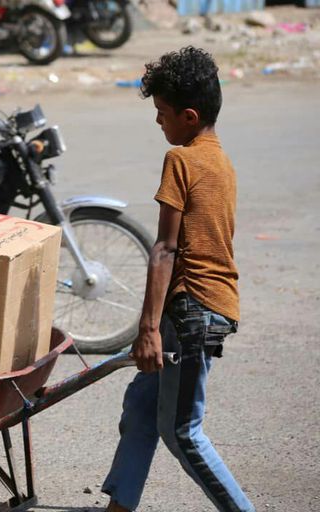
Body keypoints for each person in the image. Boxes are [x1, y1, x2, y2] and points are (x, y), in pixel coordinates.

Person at [101, 47, 255, 512]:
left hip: (192, 311)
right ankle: (119, 505)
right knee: (142, 407)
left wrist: (147, 330)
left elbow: (166, 248)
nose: (158, 123)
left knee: (183, 431)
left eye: (162, 113)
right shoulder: (222, 162)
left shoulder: (181, 160)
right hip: (202, 307)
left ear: (188, 117)